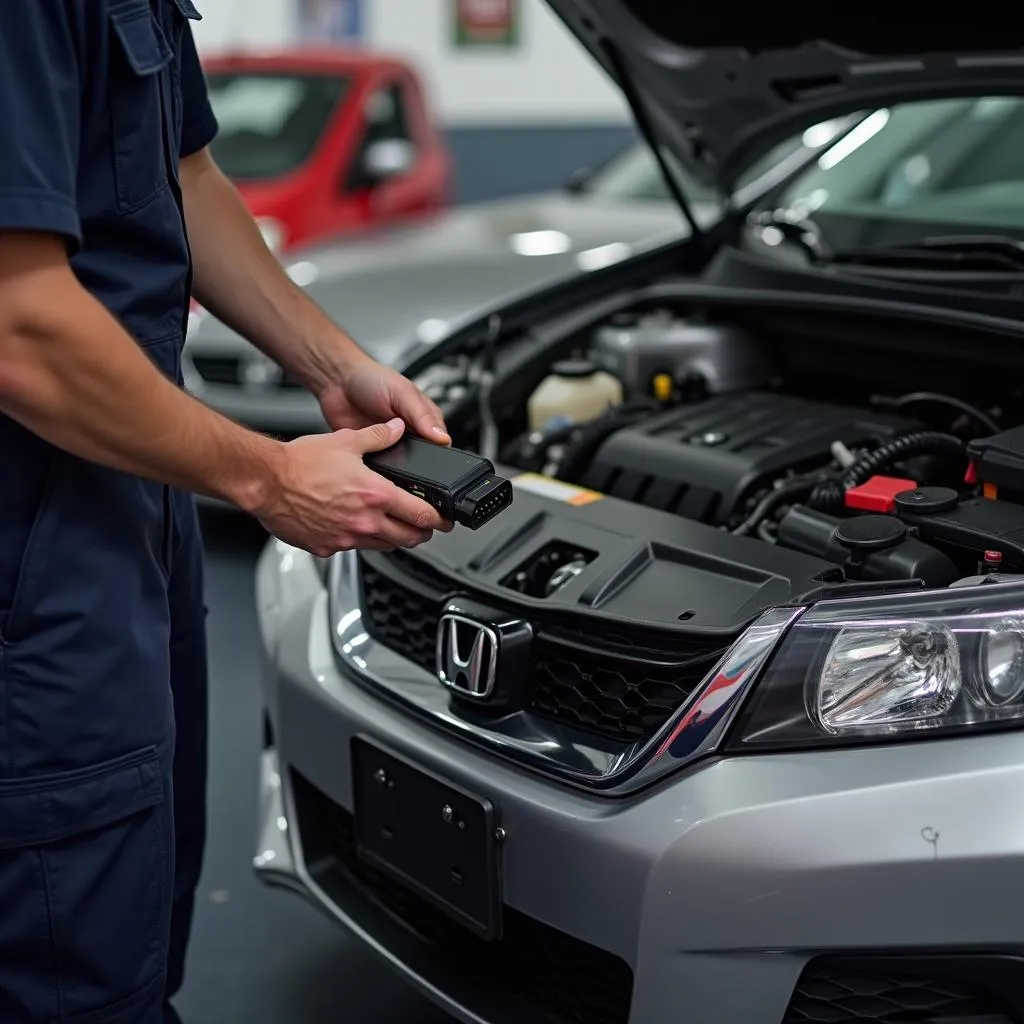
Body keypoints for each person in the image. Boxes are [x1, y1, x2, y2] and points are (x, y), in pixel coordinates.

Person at [0, 3, 451, 1022]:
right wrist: (268, 477)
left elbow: (185, 179)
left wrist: (335, 366)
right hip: (33, 548)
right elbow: (18, 324)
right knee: (64, 959)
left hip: (126, 504)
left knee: (134, 920)